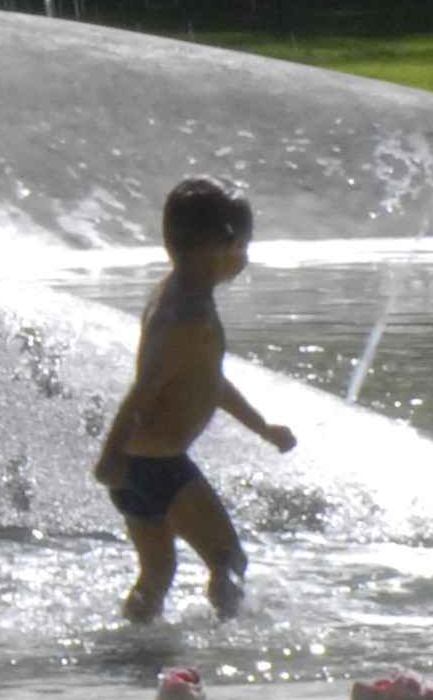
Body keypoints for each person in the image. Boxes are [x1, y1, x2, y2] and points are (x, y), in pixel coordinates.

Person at [91, 176, 293, 621]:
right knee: (229, 560)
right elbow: (144, 389)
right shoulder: (187, 318)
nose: (245, 259)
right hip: (157, 467)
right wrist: (108, 456)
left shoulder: (176, 295)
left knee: (157, 574)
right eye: (243, 246)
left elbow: (209, 382)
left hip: (138, 468)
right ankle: (229, 641)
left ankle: (135, 646)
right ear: (219, 245)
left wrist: (262, 427)